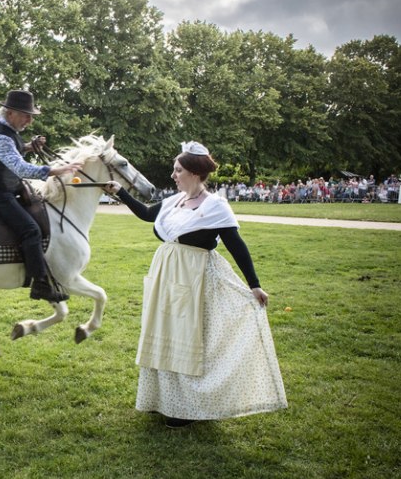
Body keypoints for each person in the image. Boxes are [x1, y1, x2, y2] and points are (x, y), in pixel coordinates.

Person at [103, 141, 286, 428]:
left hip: (195, 277)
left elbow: (236, 244)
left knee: (187, 337)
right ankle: (161, 399)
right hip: (167, 274)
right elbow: (147, 214)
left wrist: (255, 285)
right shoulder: (174, 202)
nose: (173, 175)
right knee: (163, 331)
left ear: (195, 173)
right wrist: (121, 192)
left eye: (178, 170)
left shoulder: (215, 206)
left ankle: (185, 408)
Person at [0, 89, 83, 303]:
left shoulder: (7, 129)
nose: (29, 121)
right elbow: (20, 168)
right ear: (10, 112)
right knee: (30, 230)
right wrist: (58, 169)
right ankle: (41, 286)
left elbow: (12, 153)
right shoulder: (1, 135)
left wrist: (27, 147)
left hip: (10, 188)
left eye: (31, 116)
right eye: (26, 115)